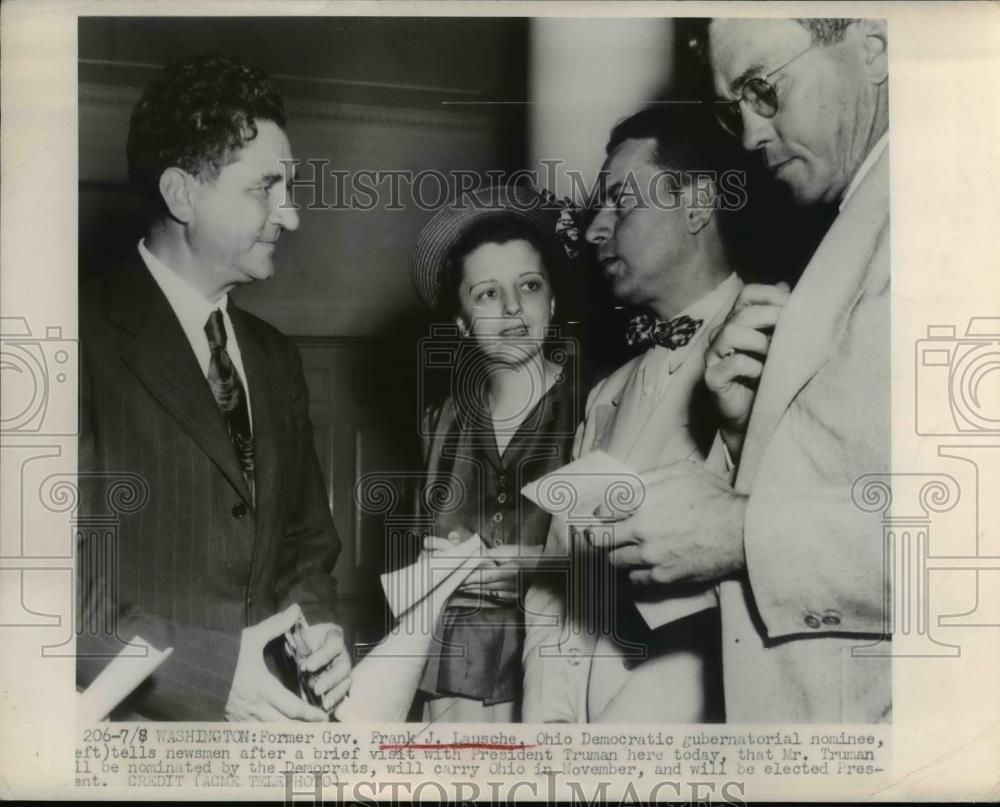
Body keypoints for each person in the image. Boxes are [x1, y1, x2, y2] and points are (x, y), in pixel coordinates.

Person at [592, 18, 891, 722]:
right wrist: (746, 427)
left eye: (764, 89)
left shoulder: (944, 215)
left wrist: (740, 532)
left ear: (871, 48)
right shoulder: (854, 222)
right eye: (734, 110)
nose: (751, 135)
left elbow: (968, 543)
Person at [77, 55, 351, 721]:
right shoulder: (69, 336)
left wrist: (317, 628)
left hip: (270, 728)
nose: (291, 216)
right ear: (182, 194)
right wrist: (211, 674)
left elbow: (306, 543)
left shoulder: (276, 357)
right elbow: (49, 590)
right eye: (265, 188)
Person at [521, 106, 744, 722]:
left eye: (620, 201)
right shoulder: (606, 394)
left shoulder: (776, 353)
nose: (595, 230)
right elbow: (560, 589)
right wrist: (550, 731)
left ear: (696, 205)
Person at [407, 185, 579, 722]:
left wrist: (540, 570)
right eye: (486, 293)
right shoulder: (441, 422)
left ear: (552, 300)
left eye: (529, 285)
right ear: (461, 322)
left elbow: (626, 561)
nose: (512, 308)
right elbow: (420, 553)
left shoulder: (595, 405)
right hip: (454, 677)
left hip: (558, 668)